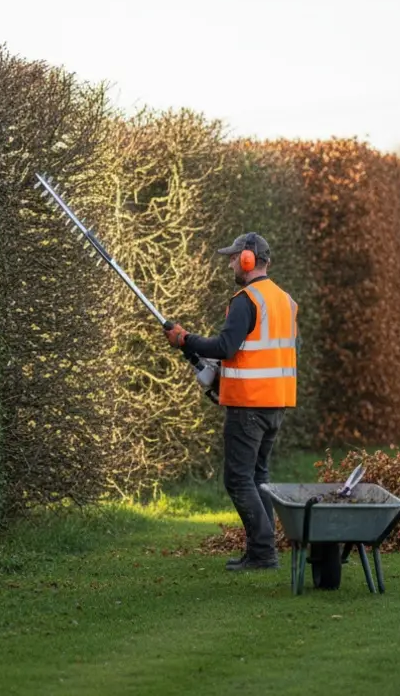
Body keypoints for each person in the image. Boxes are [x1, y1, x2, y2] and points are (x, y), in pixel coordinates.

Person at [165, 232, 298, 571]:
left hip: (249, 406)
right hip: (276, 404)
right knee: (258, 476)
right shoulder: (285, 300)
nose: (230, 263)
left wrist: (185, 339)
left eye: (233, 257)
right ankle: (263, 551)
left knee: (238, 480)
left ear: (248, 259)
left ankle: (263, 553)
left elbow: (226, 347)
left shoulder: (247, 299)